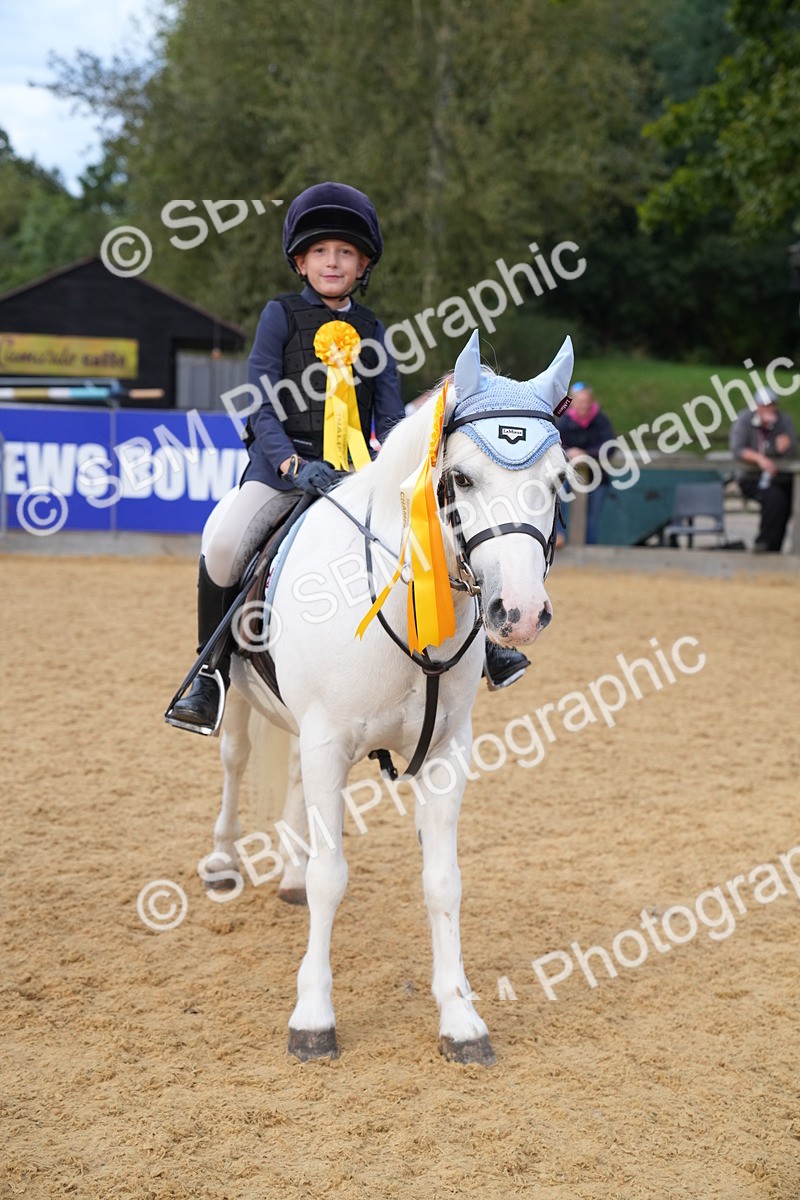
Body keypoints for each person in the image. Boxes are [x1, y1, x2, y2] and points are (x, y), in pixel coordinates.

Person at [168, 182, 528, 734]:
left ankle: (487, 647)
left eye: (344, 253)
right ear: (300, 261)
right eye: (320, 252)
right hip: (284, 471)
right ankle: (209, 675)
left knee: (445, 531)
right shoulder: (279, 316)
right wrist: (291, 464)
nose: (332, 262)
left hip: (359, 474)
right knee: (223, 545)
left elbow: (389, 418)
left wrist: (391, 464)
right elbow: (260, 401)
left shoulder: (374, 330)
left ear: (363, 265)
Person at [729, 385, 797, 553]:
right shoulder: (745, 419)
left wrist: (786, 447)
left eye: (772, 405)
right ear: (757, 406)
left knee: (787, 500)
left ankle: (775, 545)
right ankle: (765, 543)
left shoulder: (783, 421)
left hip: (779, 477)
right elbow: (737, 448)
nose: (769, 409)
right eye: (765, 405)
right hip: (751, 478)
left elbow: (792, 451)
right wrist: (760, 459)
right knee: (775, 498)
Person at [556, 381, 615, 545]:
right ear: (573, 403)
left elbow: (609, 447)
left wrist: (586, 454)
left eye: (587, 401)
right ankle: (559, 536)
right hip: (569, 476)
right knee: (558, 498)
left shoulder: (601, 420)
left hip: (599, 477)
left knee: (591, 519)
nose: (585, 405)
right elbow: (555, 446)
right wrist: (569, 453)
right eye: (581, 401)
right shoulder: (564, 422)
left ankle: (589, 551)